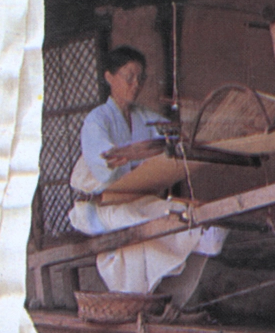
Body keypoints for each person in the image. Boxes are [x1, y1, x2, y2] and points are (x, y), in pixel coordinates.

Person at [68, 46, 225, 305]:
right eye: (129, 76)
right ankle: (134, 297)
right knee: (141, 219)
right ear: (109, 77)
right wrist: (125, 155)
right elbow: (102, 163)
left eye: (140, 78)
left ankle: (203, 243)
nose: (135, 84)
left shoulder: (143, 116)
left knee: (173, 210)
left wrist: (194, 129)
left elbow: (171, 135)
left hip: (130, 198)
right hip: (96, 207)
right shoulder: (97, 120)